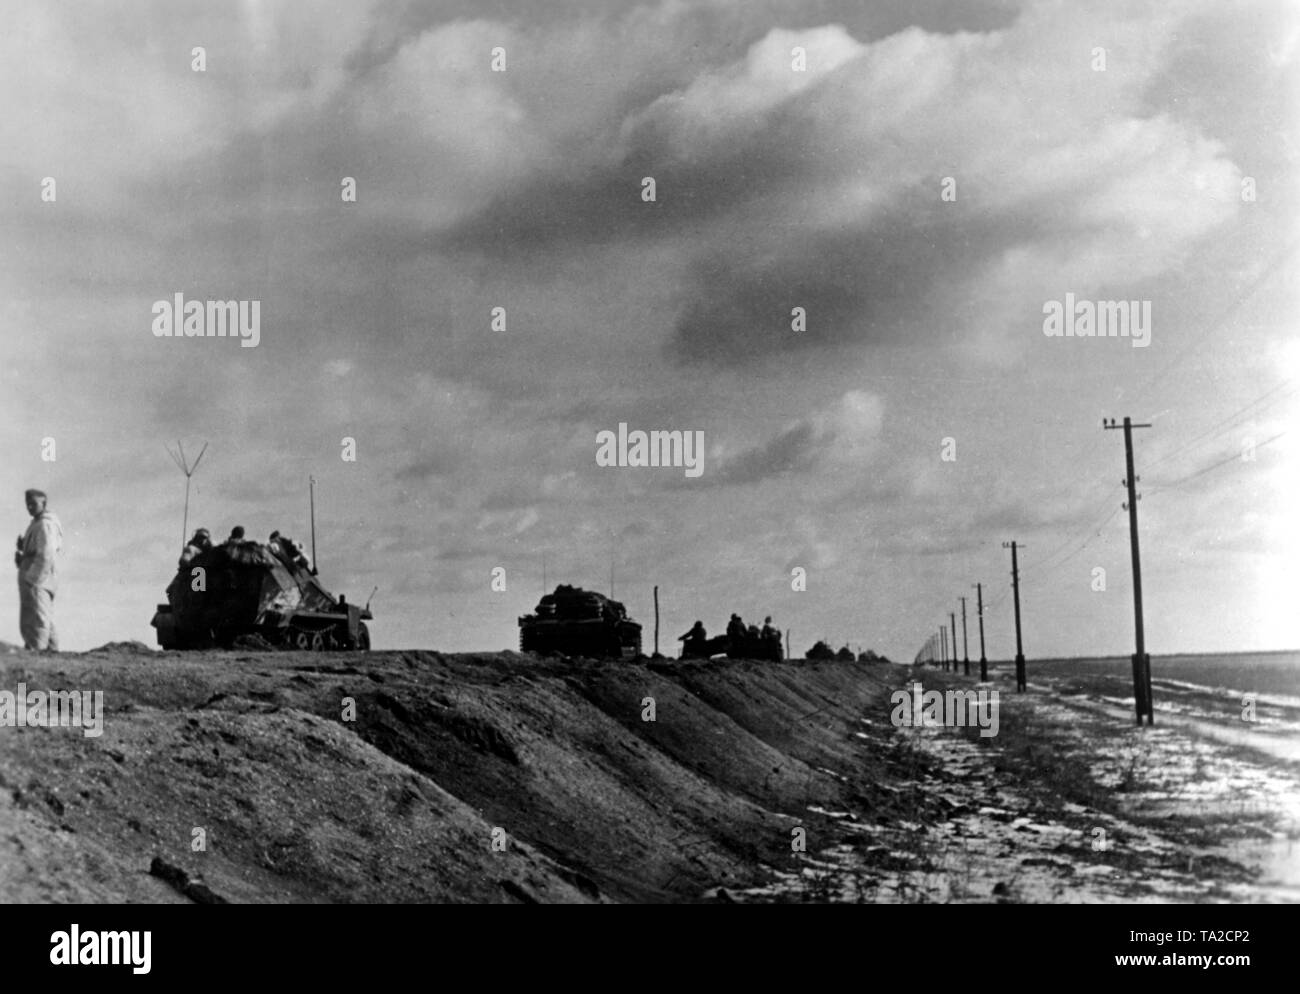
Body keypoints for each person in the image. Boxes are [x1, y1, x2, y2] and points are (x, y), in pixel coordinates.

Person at [15, 489, 62, 651]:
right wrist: (24, 551)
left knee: (38, 617)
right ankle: (50, 653)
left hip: (38, 579)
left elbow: (46, 554)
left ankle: (38, 652)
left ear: (44, 503)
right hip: (35, 577)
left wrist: (33, 578)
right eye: (27, 503)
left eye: (33, 503)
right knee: (40, 615)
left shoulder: (45, 524)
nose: (29, 507)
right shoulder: (37, 523)